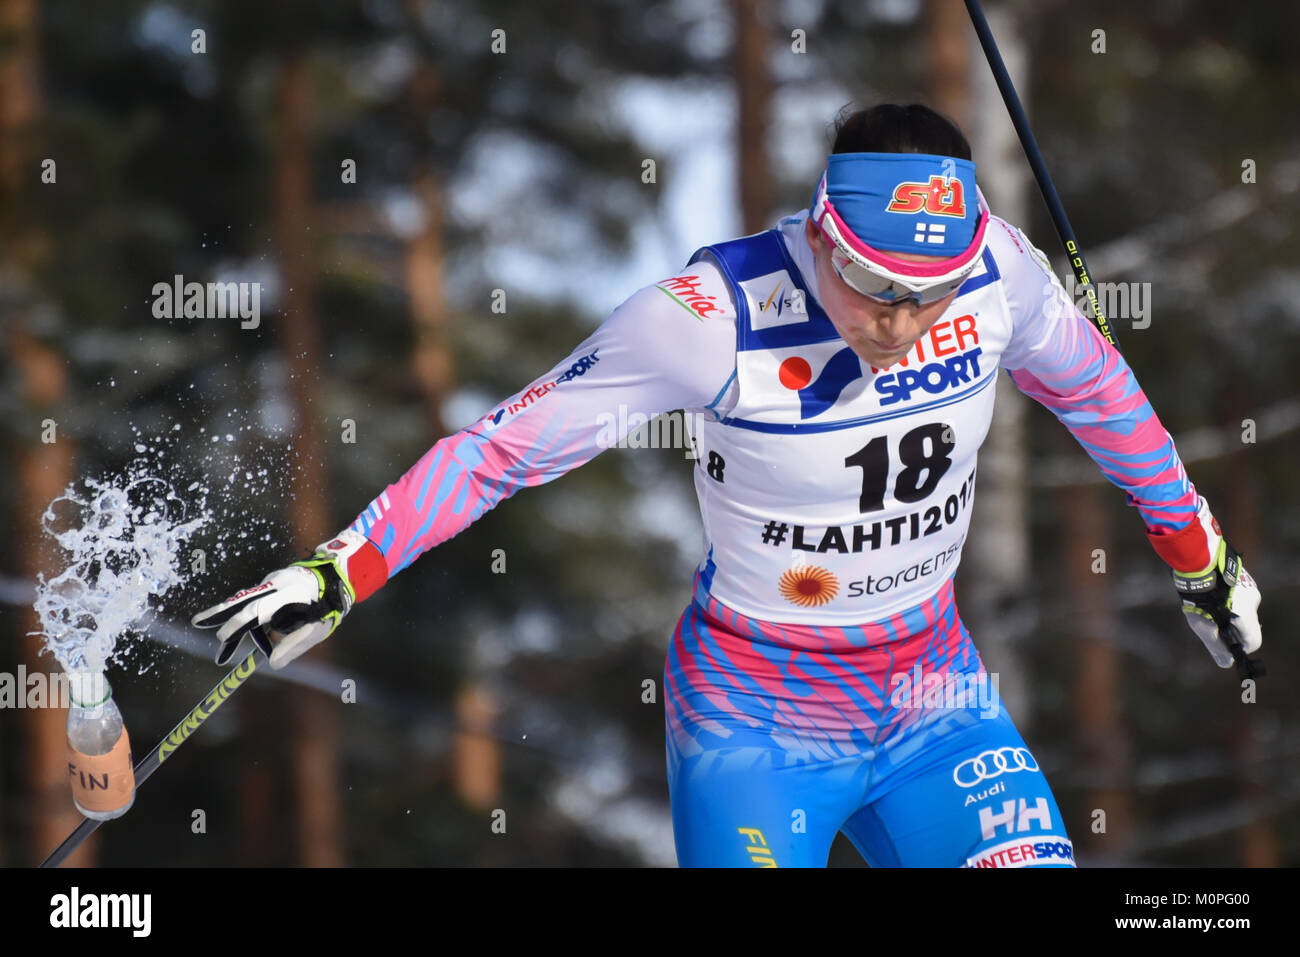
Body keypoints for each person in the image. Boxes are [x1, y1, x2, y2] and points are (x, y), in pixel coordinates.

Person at [192, 102, 1263, 868]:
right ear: (817, 232)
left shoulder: (1004, 277)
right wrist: (339, 572)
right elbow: (499, 450)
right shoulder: (705, 320)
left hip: (935, 696)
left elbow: (1104, 402)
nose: (898, 323)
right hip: (755, 714)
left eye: (926, 296)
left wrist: (1199, 560)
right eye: (870, 284)